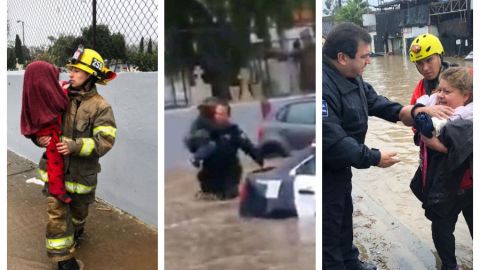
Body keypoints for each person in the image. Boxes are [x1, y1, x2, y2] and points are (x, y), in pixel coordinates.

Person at [322, 22, 432, 270]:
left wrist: (411, 111)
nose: (369, 61)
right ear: (342, 57)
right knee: (328, 228)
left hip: (339, 169)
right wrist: (374, 157)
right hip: (323, 172)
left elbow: (375, 102)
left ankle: (350, 262)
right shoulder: (323, 88)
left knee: (342, 218)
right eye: (365, 56)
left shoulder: (351, 77)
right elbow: (334, 142)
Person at [35, 45, 117, 270]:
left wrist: (75, 146)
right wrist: (39, 139)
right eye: (70, 69)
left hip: (82, 177)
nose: (70, 73)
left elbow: (105, 141)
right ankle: (63, 261)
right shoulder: (59, 97)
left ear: (91, 74)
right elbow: (42, 126)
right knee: (57, 215)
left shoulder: (101, 107)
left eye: (77, 70)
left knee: (78, 214)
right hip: (56, 172)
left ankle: (77, 231)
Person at [410, 67, 473, 270]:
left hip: (468, 186)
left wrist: (430, 138)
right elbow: (415, 111)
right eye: (440, 90)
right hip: (443, 187)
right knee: (441, 229)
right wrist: (423, 115)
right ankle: (449, 265)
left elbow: (446, 145)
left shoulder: (469, 118)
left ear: (466, 96)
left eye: (448, 92)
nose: (441, 95)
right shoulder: (432, 107)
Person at [185, 99, 264, 200]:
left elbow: (248, 147)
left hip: (230, 171)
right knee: (212, 194)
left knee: (229, 194)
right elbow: (193, 146)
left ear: (228, 115)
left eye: (222, 114)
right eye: (216, 114)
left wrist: (261, 161)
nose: (218, 116)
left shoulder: (234, 130)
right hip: (211, 172)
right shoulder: (205, 129)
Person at [21, 61, 71, 204]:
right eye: (53, 78)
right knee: (54, 161)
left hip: (54, 136)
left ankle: (56, 189)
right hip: (50, 134)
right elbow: (61, 101)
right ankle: (57, 190)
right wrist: (38, 139)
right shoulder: (48, 95)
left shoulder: (35, 92)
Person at [409, 33, 458, 108]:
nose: (425, 68)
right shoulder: (420, 89)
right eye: (419, 63)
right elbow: (410, 115)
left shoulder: (462, 78)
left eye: (429, 60)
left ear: (440, 56)